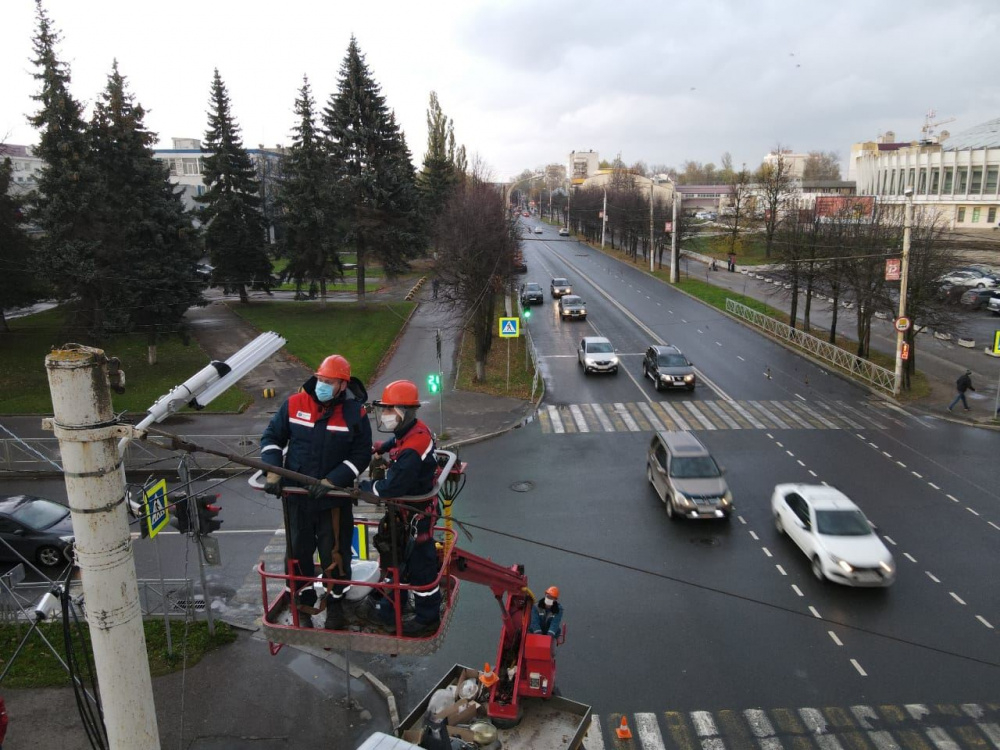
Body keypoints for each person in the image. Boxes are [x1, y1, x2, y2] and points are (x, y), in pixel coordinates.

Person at [261, 354, 372, 629]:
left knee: (335, 554)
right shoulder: (295, 404)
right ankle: (303, 602)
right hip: (297, 499)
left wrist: (333, 481)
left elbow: (360, 456)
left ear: (343, 385)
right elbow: (272, 438)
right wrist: (273, 470)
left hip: (332, 501)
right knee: (298, 552)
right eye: (321, 379)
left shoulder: (354, 413)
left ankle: (335, 607)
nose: (322, 385)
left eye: (329, 382)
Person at [360, 379, 442, 636]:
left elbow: (388, 489)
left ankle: (427, 618)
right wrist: (380, 448)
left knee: (421, 568)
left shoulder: (411, 451)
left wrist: (362, 487)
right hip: (411, 515)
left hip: (416, 517)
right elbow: (397, 442)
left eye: (387, 410)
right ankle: (391, 605)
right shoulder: (414, 431)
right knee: (401, 562)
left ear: (401, 412)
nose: (383, 415)